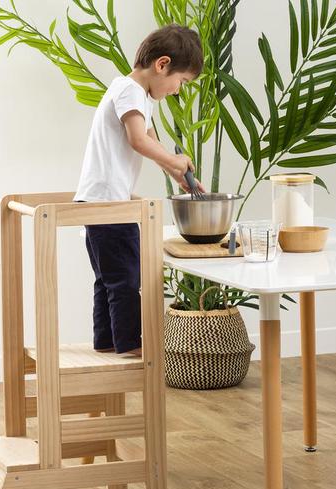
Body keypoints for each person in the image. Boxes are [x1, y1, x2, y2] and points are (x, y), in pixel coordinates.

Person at [74, 24, 204, 356]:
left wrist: (175, 170)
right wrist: (175, 158)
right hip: (109, 203)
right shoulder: (129, 90)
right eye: (182, 81)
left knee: (110, 279)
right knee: (127, 279)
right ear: (162, 64)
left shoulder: (139, 96)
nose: (178, 90)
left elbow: (151, 143)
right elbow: (138, 140)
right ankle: (130, 347)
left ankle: (107, 342)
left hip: (101, 200)